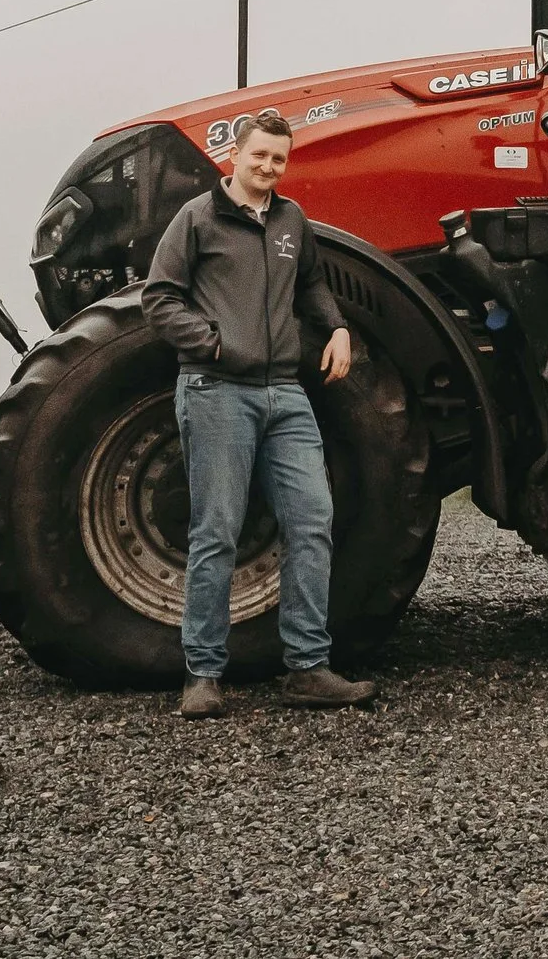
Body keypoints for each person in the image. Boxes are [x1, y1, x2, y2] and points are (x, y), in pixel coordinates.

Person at [141, 110, 376, 718]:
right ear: (234, 157)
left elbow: (312, 285)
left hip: (286, 394)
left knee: (312, 522)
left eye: (278, 159)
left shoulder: (292, 221)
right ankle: (202, 674)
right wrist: (215, 342)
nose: (268, 168)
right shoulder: (196, 218)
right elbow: (159, 299)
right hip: (217, 390)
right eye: (258, 157)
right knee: (216, 531)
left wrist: (339, 328)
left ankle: (308, 668)